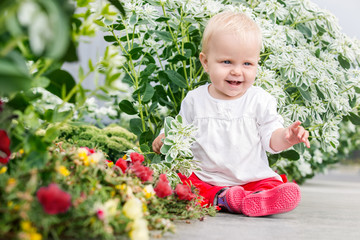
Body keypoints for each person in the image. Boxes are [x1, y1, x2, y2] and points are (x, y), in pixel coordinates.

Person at [152, 11, 310, 217]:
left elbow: (271, 141)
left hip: (250, 177)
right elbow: (180, 131)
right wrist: (165, 137)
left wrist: (287, 137)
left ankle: (260, 197)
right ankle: (226, 197)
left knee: (272, 182)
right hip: (207, 176)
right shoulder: (195, 100)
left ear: (257, 64)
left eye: (247, 64)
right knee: (186, 184)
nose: (237, 71)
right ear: (206, 62)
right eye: (227, 62)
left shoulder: (259, 100)